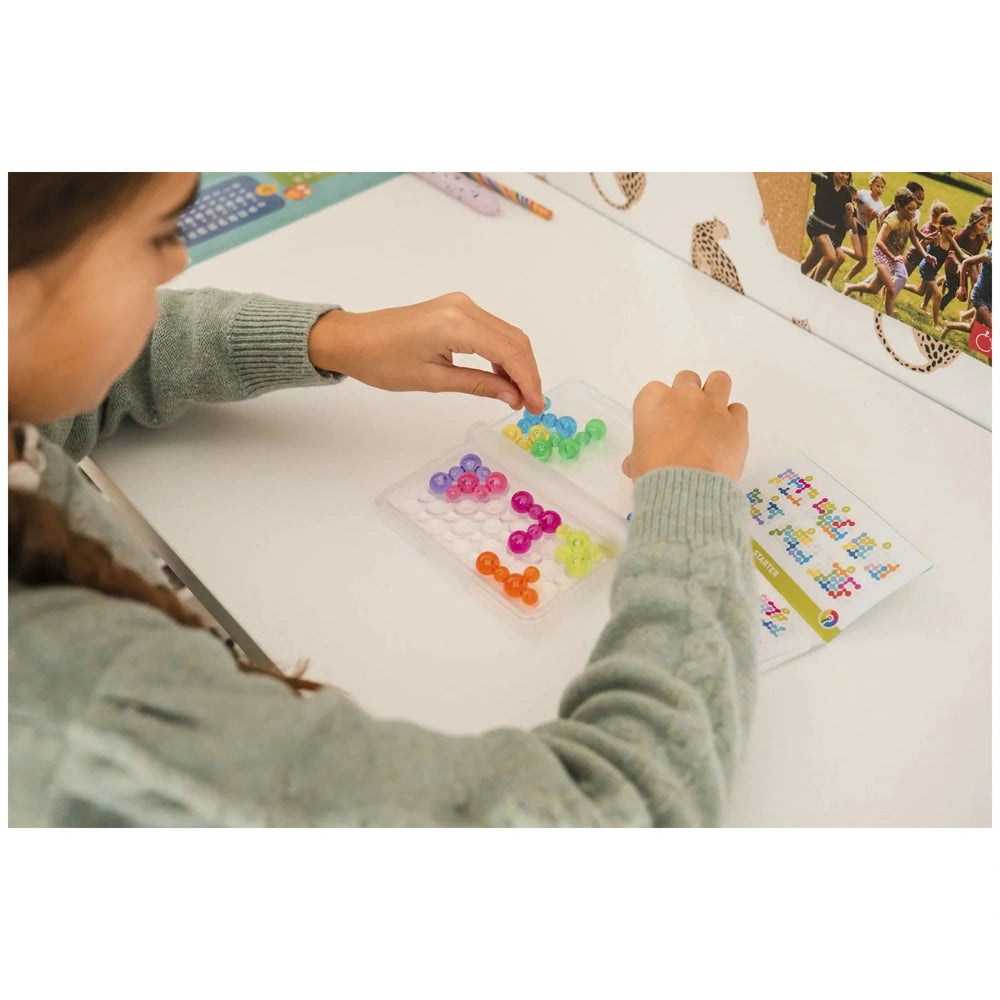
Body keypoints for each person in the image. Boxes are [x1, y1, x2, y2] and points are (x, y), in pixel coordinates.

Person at [8, 173, 757, 828]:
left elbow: (99, 358)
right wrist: (689, 497)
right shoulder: (93, 710)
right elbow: (622, 812)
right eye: (153, 235)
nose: (178, 262)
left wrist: (331, 338)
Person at [843, 187, 933, 318]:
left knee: (873, 288)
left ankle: (850, 287)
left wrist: (926, 255)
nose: (913, 212)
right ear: (899, 207)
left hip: (894, 257)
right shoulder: (892, 220)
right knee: (890, 289)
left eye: (914, 209)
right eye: (909, 209)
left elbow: (914, 239)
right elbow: (879, 241)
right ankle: (889, 318)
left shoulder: (909, 219)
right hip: (882, 254)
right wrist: (893, 257)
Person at [906, 214, 962, 328]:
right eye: (951, 228)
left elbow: (961, 253)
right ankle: (935, 324)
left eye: (955, 228)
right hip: (926, 267)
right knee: (938, 295)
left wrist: (969, 261)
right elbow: (921, 245)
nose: (954, 230)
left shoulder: (951, 241)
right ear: (942, 227)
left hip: (933, 269)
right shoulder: (936, 238)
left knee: (920, 291)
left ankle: (896, 283)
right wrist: (926, 241)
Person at [800, 172, 854, 280]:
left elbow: (847, 224)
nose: (844, 177)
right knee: (831, 258)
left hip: (827, 230)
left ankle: (789, 273)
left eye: (847, 174)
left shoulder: (846, 194)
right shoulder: (823, 180)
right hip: (815, 224)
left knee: (808, 264)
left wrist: (849, 213)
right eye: (842, 172)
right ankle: (813, 288)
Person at [843, 173, 888, 282]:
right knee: (858, 255)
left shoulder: (880, 205)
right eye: (877, 186)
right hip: (855, 224)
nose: (880, 189)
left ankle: (847, 278)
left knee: (864, 261)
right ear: (871, 185)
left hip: (864, 229)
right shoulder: (863, 194)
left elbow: (879, 222)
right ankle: (840, 248)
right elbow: (851, 197)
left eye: (882, 187)